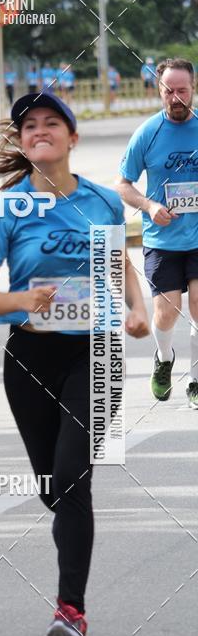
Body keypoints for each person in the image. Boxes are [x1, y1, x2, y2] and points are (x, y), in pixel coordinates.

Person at [0, 91, 149, 636]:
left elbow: (116, 264)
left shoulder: (101, 201)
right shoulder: (7, 208)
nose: (40, 130)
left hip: (95, 353)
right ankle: (71, 528)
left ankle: (71, 610)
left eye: (52, 122)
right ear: (22, 142)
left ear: (73, 138)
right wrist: (21, 300)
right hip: (29, 359)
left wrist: (137, 308)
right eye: (29, 125)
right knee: (54, 488)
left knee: (73, 477)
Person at [116, 57, 198, 406]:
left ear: (193, 89)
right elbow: (123, 184)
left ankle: (196, 381)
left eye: (183, 90)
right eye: (169, 91)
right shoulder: (147, 133)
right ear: (159, 90)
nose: (176, 98)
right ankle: (164, 359)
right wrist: (149, 206)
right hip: (162, 240)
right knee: (167, 312)